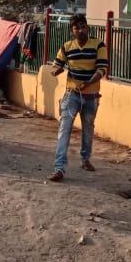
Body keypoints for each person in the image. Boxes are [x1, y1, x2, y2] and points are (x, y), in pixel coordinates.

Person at [48, 14, 108, 182]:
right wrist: (56, 71)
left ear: (87, 28)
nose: (80, 30)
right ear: (72, 31)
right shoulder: (67, 47)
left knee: (88, 129)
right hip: (71, 95)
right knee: (64, 129)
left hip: (91, 96)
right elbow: (55, 66)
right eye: (77, 28)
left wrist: (87, 83)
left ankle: (85, 159)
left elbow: (102, 69)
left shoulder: (98, 45)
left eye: (83, 27)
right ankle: (59, 168)